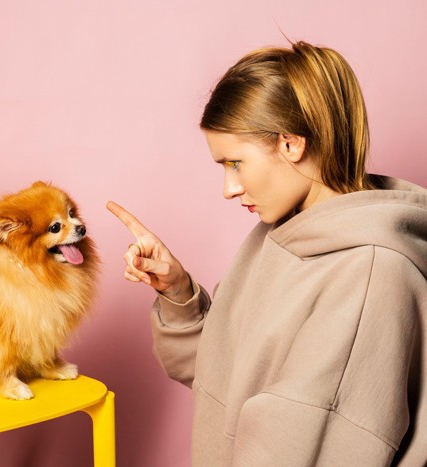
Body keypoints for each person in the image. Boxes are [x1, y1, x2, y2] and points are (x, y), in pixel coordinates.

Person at [108, 41, 427, 466]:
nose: (229, 188)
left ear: (290, 144)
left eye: (235, 163)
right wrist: (178, 291)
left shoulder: (371, 276)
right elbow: (226, 375)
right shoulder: (279, 236)